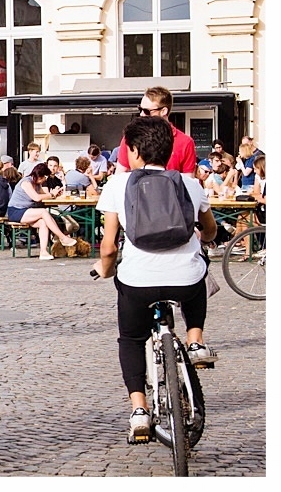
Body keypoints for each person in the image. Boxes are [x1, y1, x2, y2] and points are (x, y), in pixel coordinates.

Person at [91, 114, 218, 442]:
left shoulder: (118, 185)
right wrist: (199, 238)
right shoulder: (189, 184)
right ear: (170, 148)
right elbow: (211, 230)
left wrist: (105, 270)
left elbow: (108, 247)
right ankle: (195, 339)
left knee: (131, 339)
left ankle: (139, 411)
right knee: (197, 272)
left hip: (137, 281)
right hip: (186, 282)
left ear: (133, 151)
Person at [115, 86, 197, 174]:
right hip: (137, 187)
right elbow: (120, 174)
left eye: (146, 111)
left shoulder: (185, 142)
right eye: (140, 109)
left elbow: (187, 181)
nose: (142, 114)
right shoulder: (131, 137)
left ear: (163, 111)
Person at [7, 162, 77, 260]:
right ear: (39, 176)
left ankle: (43, 252)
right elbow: (36, 198)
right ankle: (62, 237)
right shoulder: (26, 182)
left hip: (27, 211)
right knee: (44, 212)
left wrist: (54, 194)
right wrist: (51, 195)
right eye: (44, 177)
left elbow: (44, 196)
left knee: (43, 222)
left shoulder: (37, 184)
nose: (45, 179)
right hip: (16, 210)